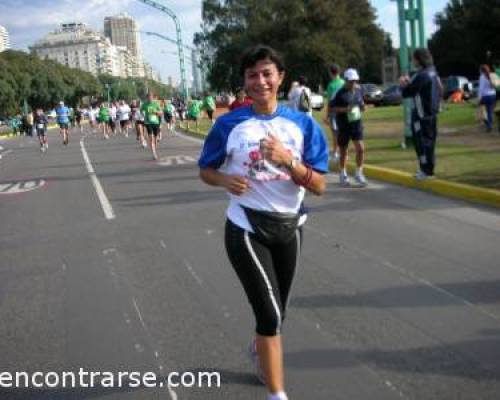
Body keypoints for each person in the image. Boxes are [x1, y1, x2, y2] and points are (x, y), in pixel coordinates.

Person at [198, 45, 328, 400]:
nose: (261, 81)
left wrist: (289, 162)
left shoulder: (302, 125)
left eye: (267, 73)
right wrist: (225, 181)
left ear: (280, 77)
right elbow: (205, 171)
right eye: (253, 75)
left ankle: (260, 349)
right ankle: (276, 394)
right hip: (245, 227)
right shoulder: (228, 125)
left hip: (290, 226)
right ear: (244, 81)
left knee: (278, 313)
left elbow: (319, 186)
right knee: (269, 316)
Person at [400, 48, 442, 180]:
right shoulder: (433, 71)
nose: (413, 61)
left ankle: (426, 171)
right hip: (432, 113)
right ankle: (428, 169)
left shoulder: (422, 74)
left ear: (419, 59)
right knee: (430, 142)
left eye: (414, 58)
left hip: (421, 114)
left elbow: (408, 92)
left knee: (421, 143)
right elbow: (440, 88)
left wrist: (403, 84)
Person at [331, 68, 367, 186]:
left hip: (356, 124)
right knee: (344, 151)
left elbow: (361, 103)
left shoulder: (358, 90)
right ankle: (343, 174)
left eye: (355, 81)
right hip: (344, 125)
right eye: (351, 81)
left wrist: (362, 107)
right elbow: (332, 108)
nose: (353, 83)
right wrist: (345, 109)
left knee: (361, 148)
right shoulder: (339, 93)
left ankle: (358, 173)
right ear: (346, 80)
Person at [324, 64, 345, 163]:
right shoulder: (344, 83)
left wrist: (327, 115)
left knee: (335, 134)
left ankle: (336, 153)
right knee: (343, 132)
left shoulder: (331, 85)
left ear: (330, 73)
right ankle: (344, 152)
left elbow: (330, 102)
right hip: (344, 111)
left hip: (334, 112)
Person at [141, 92, 162, 160]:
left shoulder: (156, 104)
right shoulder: (144, 104)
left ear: (152, 97)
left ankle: (154, 149)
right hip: (148, 123)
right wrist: (143, 114)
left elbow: (161, 112)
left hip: (155, 122)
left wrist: (156, 112)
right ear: (147, 98)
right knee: (151, 138)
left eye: (150, 97)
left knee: (155, 138)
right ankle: (154, 153)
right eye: (148, 97)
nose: (149, 99)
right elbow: (141, 110)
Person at [478, 64, 497, 132]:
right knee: (490, 111)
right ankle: (490, 125)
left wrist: (479, 98)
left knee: (480, 108)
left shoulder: (482, 77)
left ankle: (485, 121)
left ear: (482, 70)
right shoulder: (492, 75)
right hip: (493, 95)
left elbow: (481, 88)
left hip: (485, 96)